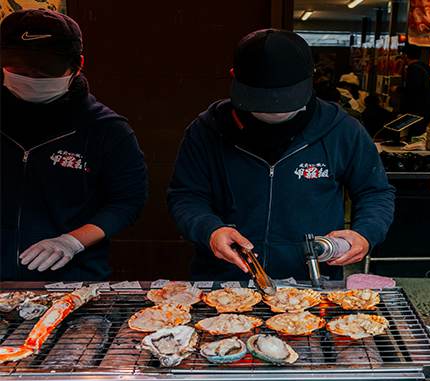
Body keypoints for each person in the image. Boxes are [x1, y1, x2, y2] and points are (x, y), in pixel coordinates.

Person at [168, 29, 395, 281]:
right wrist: (209, 230)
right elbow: (186, 195)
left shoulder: (342, 130)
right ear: (235, 79)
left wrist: (365, 233)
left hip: (312, 283)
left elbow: (375, 192)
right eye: (261, 104)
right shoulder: (206, 130)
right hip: (224, 280)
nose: (274, 112)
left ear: (311, 80)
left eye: (284, 103)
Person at [0, 9, 148, 281]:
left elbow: (128, 201)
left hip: (72, 280)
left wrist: (73, 241)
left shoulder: (106, 129)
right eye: (20, 69)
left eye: (45, 71)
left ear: (78, 65)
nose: (33, 77)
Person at [400, 43, 430, 136]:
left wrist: (399, 90)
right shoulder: (422, 68)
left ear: (406, 56)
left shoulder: (414, 69)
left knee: (413, 138)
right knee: (416, 136)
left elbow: (412, 91)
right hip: (425, 110)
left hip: (417, 111)